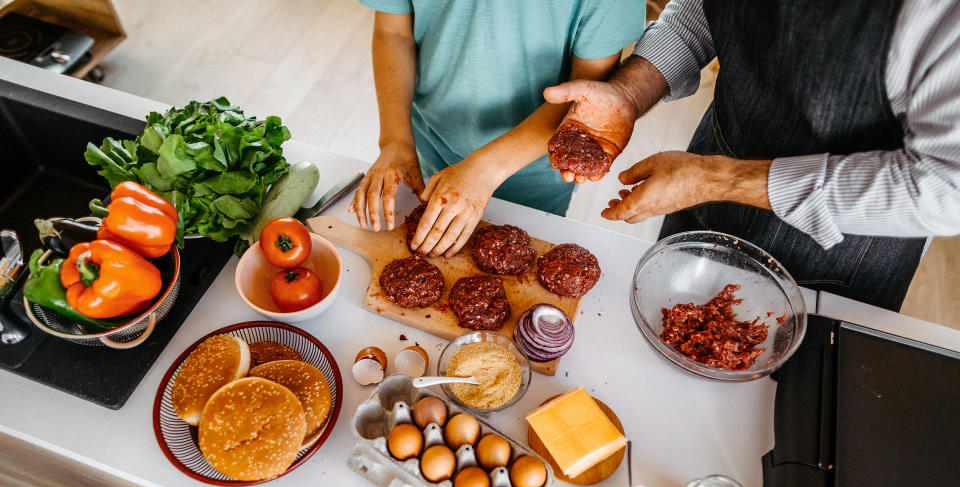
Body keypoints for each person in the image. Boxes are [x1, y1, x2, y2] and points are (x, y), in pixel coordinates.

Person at [543, 0, 960, 311]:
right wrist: (630, 92)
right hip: (711, 167)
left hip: (841, 249)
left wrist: (715, 179)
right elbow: (708, 12)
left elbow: (947, 188)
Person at [348, 1, 646, 258]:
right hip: (430, 143)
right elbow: (393, 33)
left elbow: (586, 100)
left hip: (533, 171)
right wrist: (395, 141)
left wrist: (484, 170)